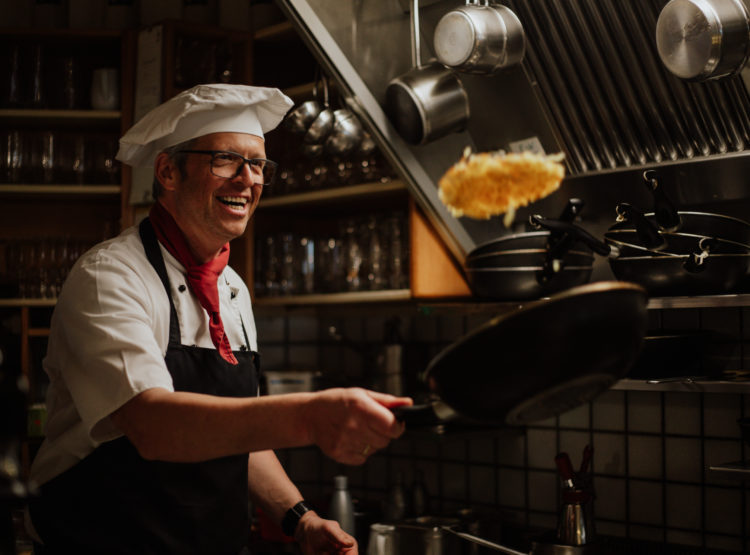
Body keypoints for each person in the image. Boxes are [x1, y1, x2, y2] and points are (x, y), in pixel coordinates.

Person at [26, 84, 412, 554]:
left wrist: (300, 519)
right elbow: (152, 426)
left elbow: (236, 432)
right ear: (168, 171)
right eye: (226, 160)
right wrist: (308, 418)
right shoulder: (110, 277)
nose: (247, 180)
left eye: (258, 165)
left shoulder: (232, 288)